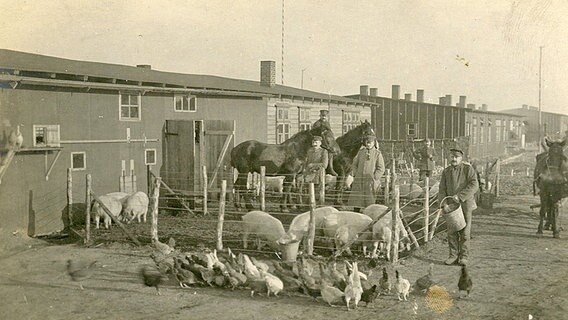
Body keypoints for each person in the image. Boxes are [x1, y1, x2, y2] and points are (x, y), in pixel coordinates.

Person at [438, 148, 479, 266]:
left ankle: (464, 256)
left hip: (465, 204)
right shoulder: (446, 172)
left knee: (465, 232)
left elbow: (474, 185)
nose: (454, 159)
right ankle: (453, 255)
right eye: (452, 156)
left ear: (461, 158)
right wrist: (444, 204)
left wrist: (460, 196)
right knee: (452, 231)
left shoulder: (467, 169)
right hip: (451, 206)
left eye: (456, 157)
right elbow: (442, 189)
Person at [348, 134, 385, 212]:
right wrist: (355, 173)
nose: (368, 144)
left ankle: (370, 214)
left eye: (370, 142)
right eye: (367, 142)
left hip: (370, 180)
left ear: (374, 143)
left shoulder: (377, 153)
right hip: (359, 179)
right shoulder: (361, 152)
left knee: (369, 199)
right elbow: (354, 164)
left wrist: (375, 177)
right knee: (357, 198)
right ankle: (356, 213)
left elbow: (381, 168)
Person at [312, 109, 338, 176]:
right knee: (328, 153)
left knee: (333, 151)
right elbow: (313, 132)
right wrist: (320, 132)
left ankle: (334, 167)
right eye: (322, 116)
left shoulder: (327, 123)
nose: (324, 117)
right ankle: (330, 168)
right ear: (320, 116)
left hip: (327, 141)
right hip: (319, 141)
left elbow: (329, 132)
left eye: (325, 116)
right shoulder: (317, 123)